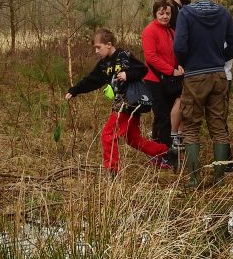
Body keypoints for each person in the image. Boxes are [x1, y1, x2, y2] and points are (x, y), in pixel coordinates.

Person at [65, 28, 170, 174]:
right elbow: (91, 80)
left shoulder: (124, 56)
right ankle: (165, 151)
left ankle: (113, 171)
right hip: (122, 104)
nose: (96, 51)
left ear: (108, 44)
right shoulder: (104, 64)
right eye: (95, 48)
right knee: (132, 138)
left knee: (108, 135)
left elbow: (142, 70)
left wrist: (128, 74)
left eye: (98, 47)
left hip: (128, 104)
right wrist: (74, 90)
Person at [173, 0, 233, 186]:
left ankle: (194, 178)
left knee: (192, 126)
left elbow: (179, 47)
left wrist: (188, 62)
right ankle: (219, 178)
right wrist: (219, 58)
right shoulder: (223, 13)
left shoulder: (186, 13)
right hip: (219, 75)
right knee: (218, 126)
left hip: (195, 76)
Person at [141, 0, 184, 159]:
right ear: (155, 14)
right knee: (162, 116)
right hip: (154, 80)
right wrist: (171, 71)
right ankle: (160, 152)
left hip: (170, 81)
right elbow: (151, 57)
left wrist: (179, 66)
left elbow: (175, 53)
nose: (165, 16)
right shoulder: (149, 31)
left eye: (167, 13)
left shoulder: (172, 31)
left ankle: (164, 149)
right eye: (161, 13)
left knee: (169, 115)